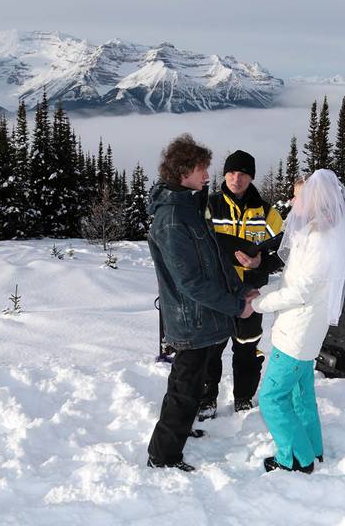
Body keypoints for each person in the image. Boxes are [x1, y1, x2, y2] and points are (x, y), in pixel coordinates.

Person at [145, 134, 258, 472]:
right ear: (183, 172)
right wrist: (237, 308)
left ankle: (177, 433)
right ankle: (162, 456)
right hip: (191, 319)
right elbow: (190, 282)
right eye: (202, 169)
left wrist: (240, 293)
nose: (209, 175)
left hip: (204, 317)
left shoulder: (190, 209)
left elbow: (216, 261)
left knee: (191, 385)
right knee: (185, 387)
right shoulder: (173, 220)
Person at [252, 169, 345, 474]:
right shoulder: (319, 233)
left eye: (298, 194)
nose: (293, 199)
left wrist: (258, 303)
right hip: (306, 332)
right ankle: (313, 449)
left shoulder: (319, 239)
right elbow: (294, 281)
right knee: (300, 394)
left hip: (296, 333)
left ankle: (295, 459)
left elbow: (300, 291)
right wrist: (266, 291)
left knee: (272, 398)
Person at [199, 150, 284, 419]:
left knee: (247, 347)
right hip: (217, 291)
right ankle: (207, 398)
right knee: (211, 347)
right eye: (232, 172)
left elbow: (286, 253)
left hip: (251, 294)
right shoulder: (209, 206)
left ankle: (243, 398)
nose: (237, 178)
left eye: (243, 173)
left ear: (251, 177)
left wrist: (260, 264)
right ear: (224, 174)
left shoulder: (268, 214)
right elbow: (197, 247)